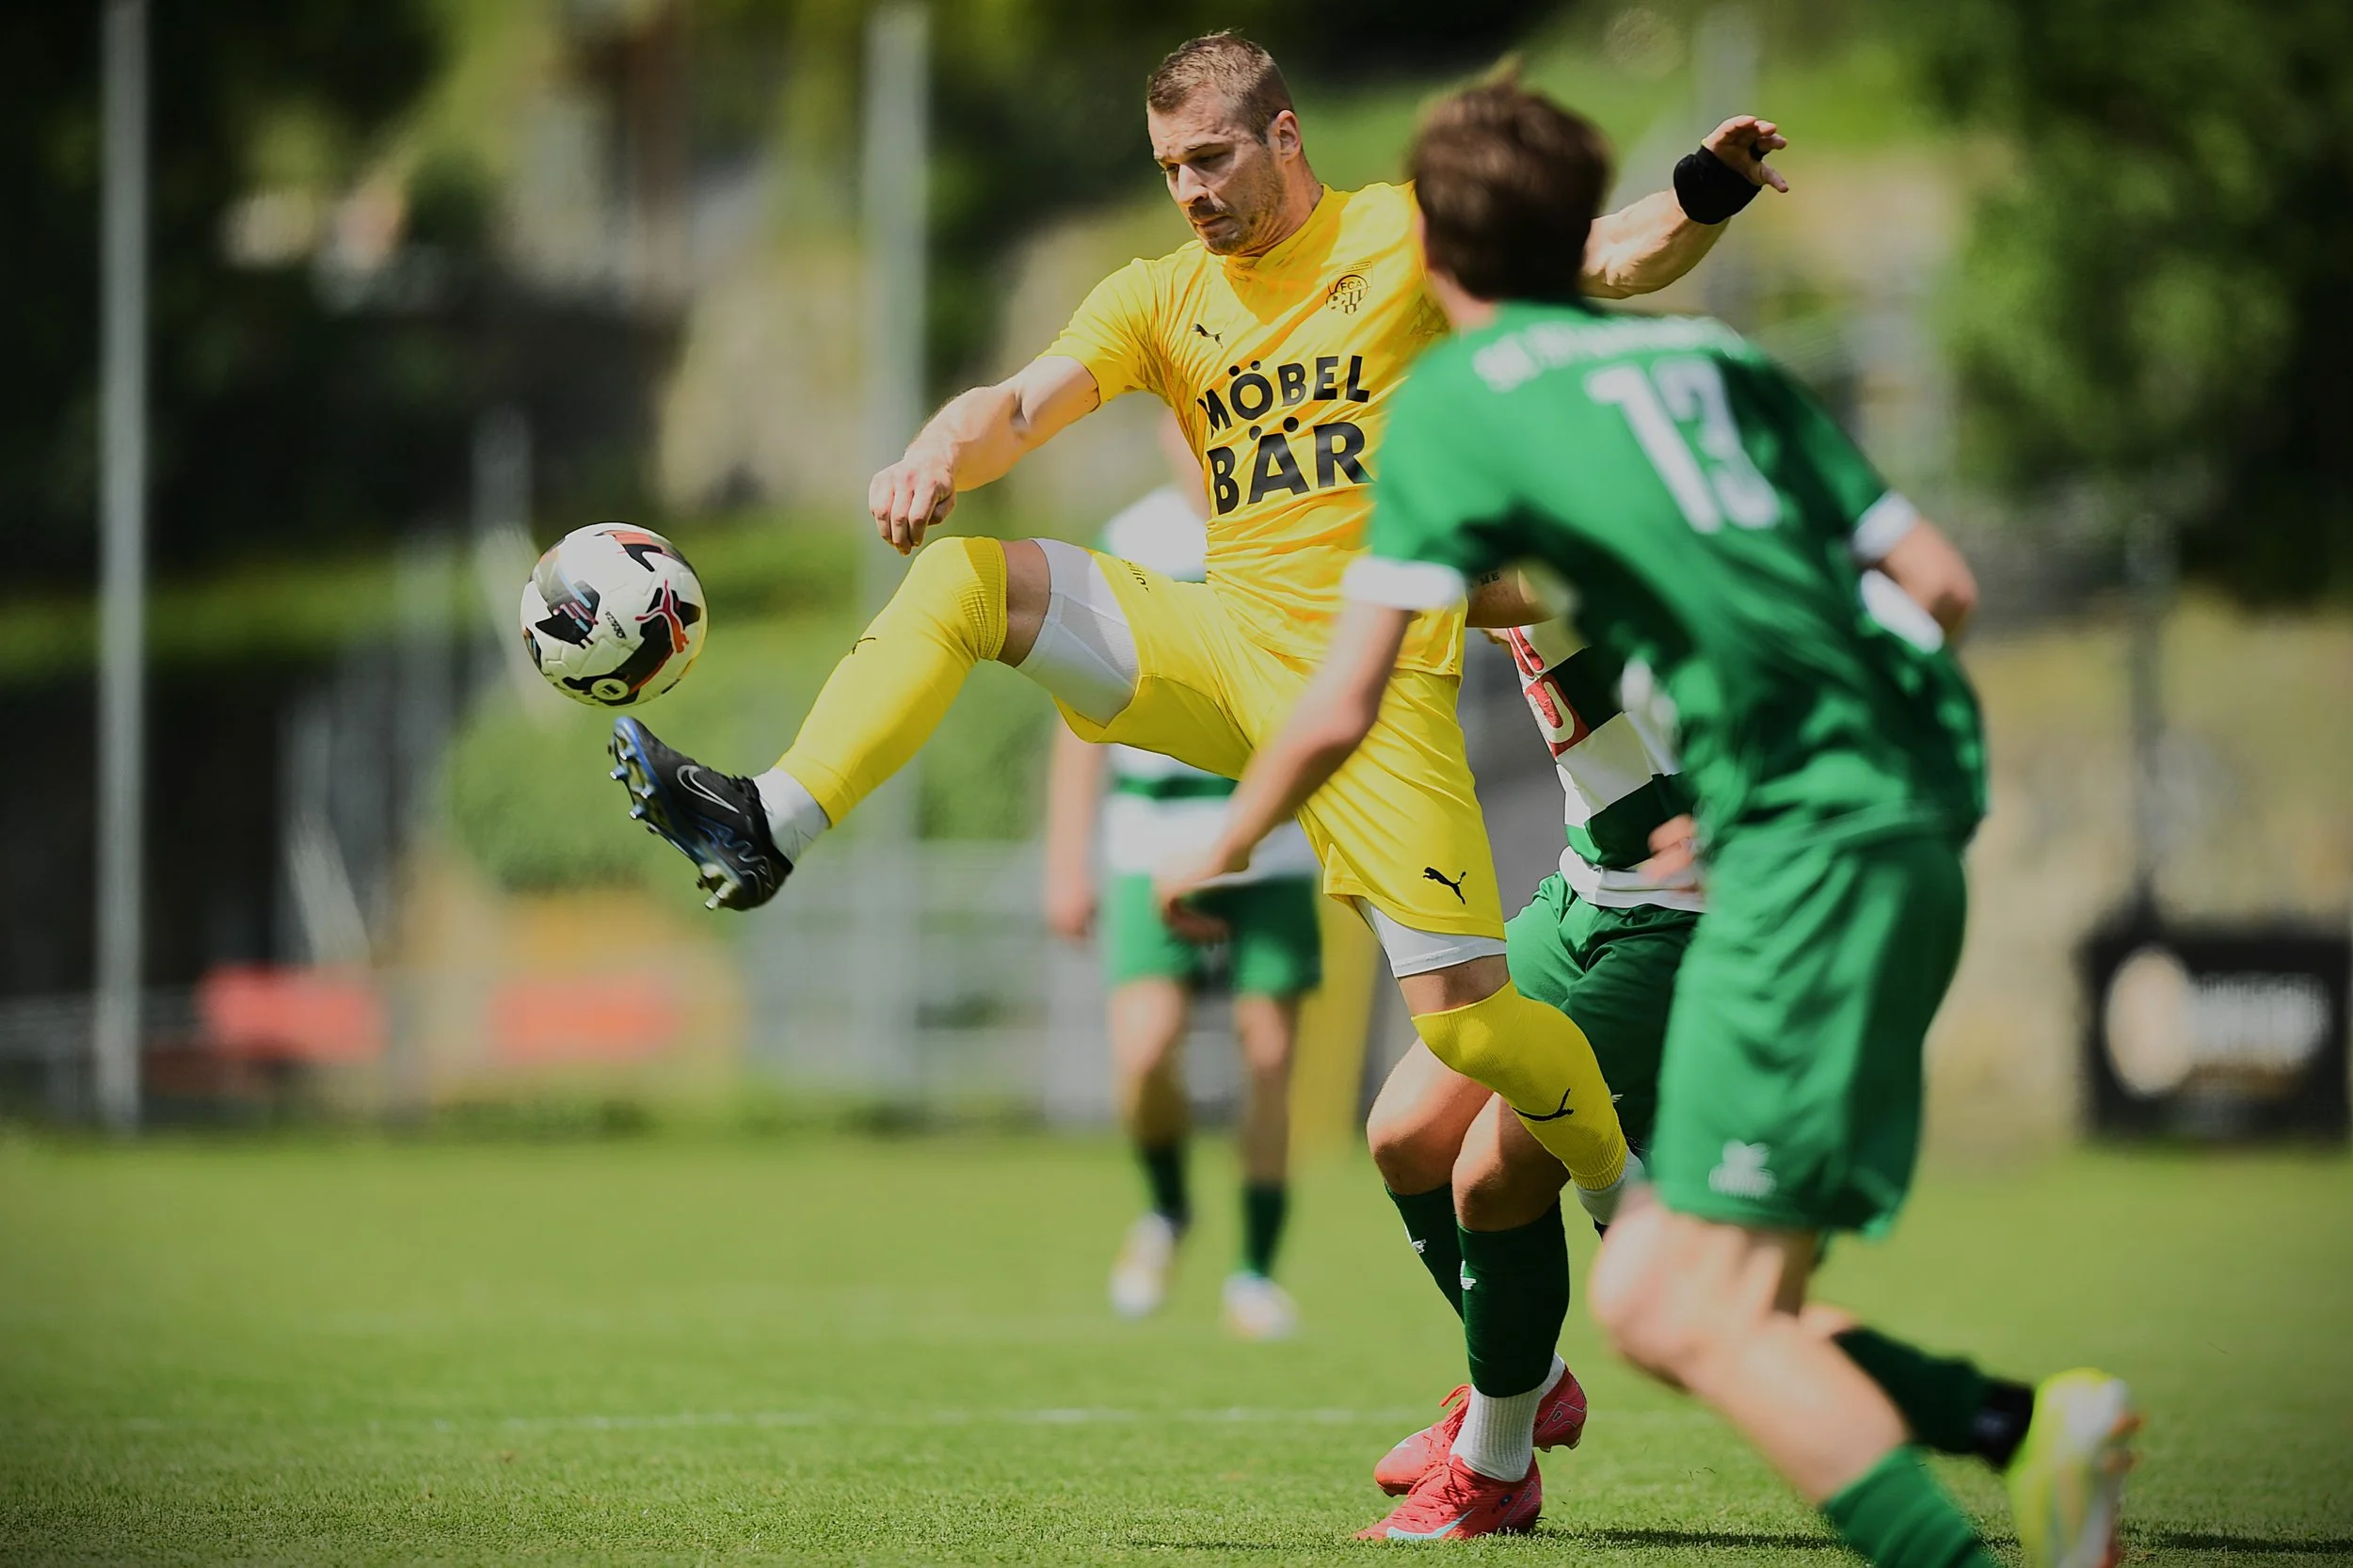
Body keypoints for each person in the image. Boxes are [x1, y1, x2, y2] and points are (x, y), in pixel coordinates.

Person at [606, 30, 1783, 1315]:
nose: (1193, 190)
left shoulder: (1403, 234)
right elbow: (1015, 403)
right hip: (1227, 650)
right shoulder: (1159, 294)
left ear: (1286, 136)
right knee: (968, 584)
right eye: (1170, 167)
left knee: (1466, 1029)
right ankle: (768, 821)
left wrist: (1706, 188)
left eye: (1213, 157)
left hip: (1371, 689)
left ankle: (1627, 1208)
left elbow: (1607, 251)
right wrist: (935, 457)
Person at [1152, 75, 2137, 1568]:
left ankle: (1500, 1456)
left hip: (1719, 882)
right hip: (1639, 866)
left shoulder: (1489, 438)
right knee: (1422, 1135)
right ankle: (1551, 1391)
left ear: (1424, 269)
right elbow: (1929, 585)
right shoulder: (1703, 375)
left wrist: (1227, 823)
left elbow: (1419, 636)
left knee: (1622, 1251)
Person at [1041, 417, 1322, 1340]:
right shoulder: (1129, 543)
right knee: (1142, 1048)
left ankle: (1255, 1271)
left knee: (1271, 1056)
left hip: (1272, 841)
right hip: (1150, 841)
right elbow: (1081, 711)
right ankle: (1165, 1210)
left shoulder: (1294, 533)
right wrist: (1065, 856)